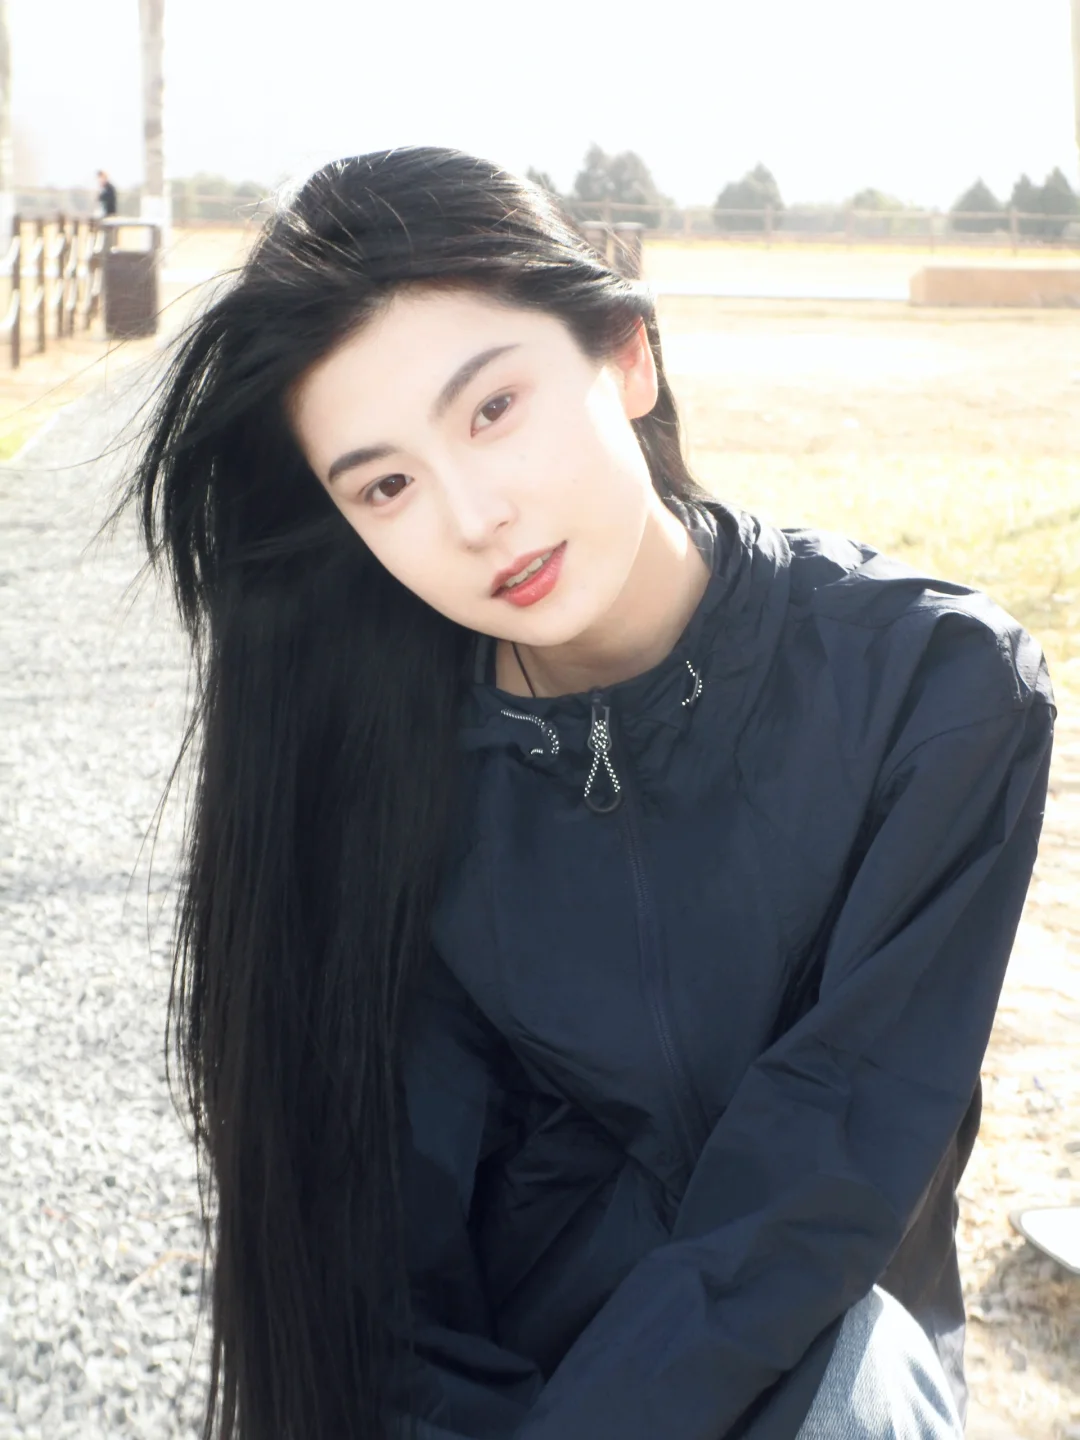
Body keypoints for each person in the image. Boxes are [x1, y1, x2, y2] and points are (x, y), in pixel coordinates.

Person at [126, 148, 1054, 1440]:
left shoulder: (936, 690)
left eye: (492, 409)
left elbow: (821, 1173)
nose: (473, 517)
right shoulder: (377, 759)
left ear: (626, 355)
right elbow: (381, 1257)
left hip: (813, 1369)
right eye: (387, 485)